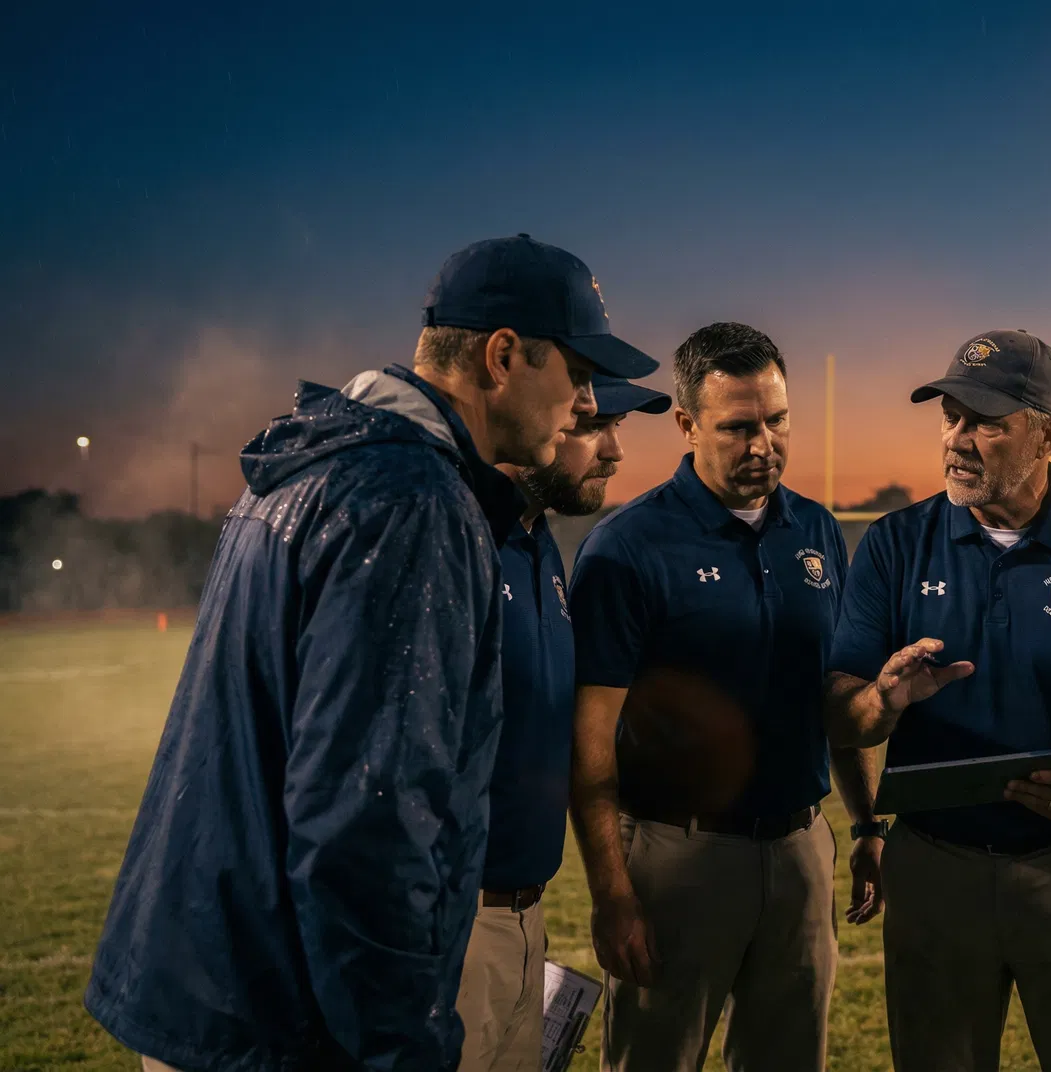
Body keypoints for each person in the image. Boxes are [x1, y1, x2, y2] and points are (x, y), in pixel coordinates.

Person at [85, 234, 658, 1072]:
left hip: (223, 979)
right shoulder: (411, 501)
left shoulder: (325, 464)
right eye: (574, 372)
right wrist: (401, 1049)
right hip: (277, 1014)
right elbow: (366, 824)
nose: (581, 403)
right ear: (503, 356)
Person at [824, 329, 1051, 1072]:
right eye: (951, 416)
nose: (958, 439)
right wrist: (884, 702)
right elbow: (841, 710)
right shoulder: (896, 545)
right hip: (934, 869)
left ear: (1047, 433)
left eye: (987, 422)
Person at [569, 323, 874, 1072]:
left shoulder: (816, 530)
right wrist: (613, 895)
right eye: (739, 427)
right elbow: (589, 740)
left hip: (801, 846)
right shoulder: (627, 546)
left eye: (777, 420)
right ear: (686, 424)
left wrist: (868, 822)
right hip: (678, 857)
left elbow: (828, 694)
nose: (763, 443)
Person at [455, 371, 670, 1071]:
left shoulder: (537, 539)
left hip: (524, 914)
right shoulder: (459, 536)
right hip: (454, 925)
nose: (614, 451)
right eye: (592, 425)